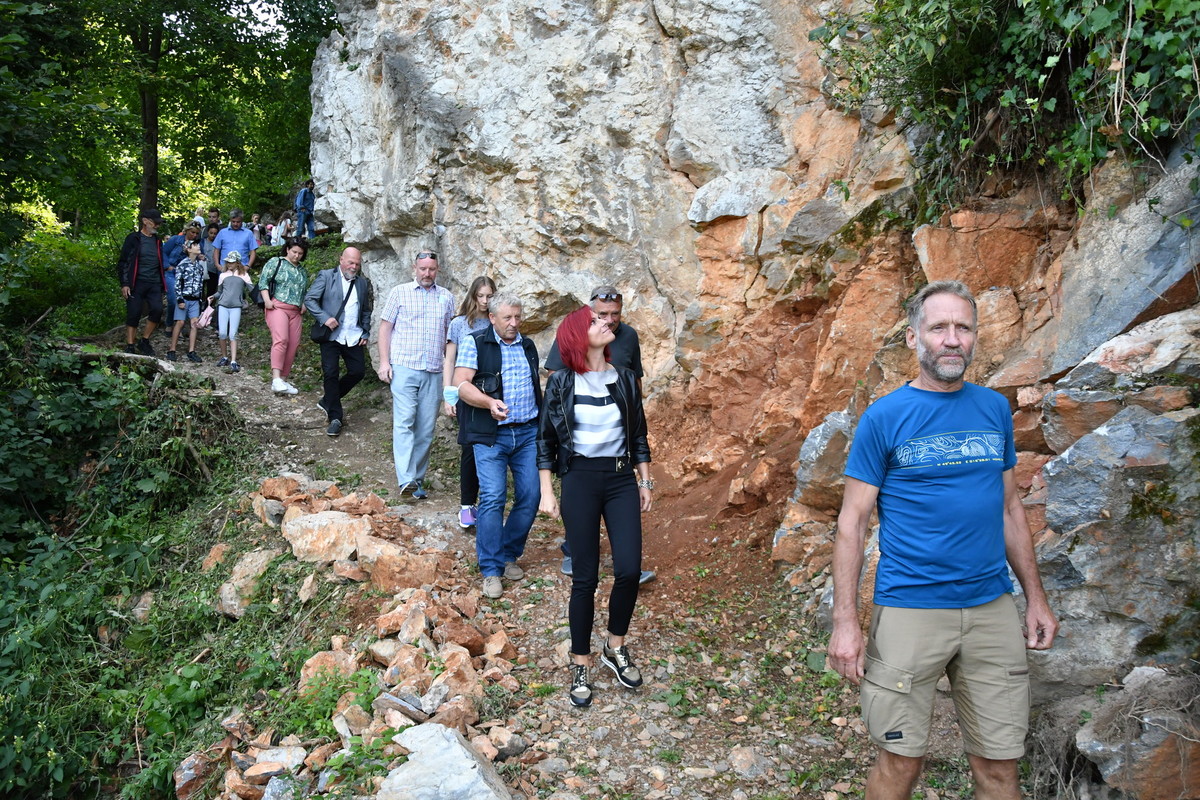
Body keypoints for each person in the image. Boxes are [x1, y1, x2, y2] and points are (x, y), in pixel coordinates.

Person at [828, 280, 1058, 800]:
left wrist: (1035, 599)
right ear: (914, 339)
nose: (952, 339)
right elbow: (852, 522)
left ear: (975, 337)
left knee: (1000, 769)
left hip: (991, 609)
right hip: (911, 607)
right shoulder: (884, 418)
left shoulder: (993, 409)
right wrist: (845, 622)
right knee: (900, 763)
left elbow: (1007, 507)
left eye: (963, 328)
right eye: (939, 328)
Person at [537, 306, 653, 708]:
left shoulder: (623, 378)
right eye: (594, 322)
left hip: (621, 479)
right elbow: (546, 441)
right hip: (580, 480)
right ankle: (580, 660)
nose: (605, 323)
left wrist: (645, 480)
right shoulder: (562, 382)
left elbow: (638, 434)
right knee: (584, 578)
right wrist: (547, 492)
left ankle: (614, 646)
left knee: (629, 569)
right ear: (577, 336)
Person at [545, 286, 654, 585]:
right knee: (584, 567)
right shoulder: (575, 335)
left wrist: (629, 405)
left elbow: (637, 382)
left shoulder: (629, 337)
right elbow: (557, 379)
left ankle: (624, 566)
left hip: (618, 459)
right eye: (600, 315)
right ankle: (576, 552)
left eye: (613, 314)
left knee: (626, 556)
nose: (608, 320)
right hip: (581, 460)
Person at [452, 293, 541, 599]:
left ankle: (507, 553)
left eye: (518, 317)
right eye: (507, 318)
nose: (514, 323)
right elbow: (462, 384)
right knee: (492, 496)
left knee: (531, 494)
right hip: (490, 434)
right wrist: (489, 402)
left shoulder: (528, 345)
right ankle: (491, 569)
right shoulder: (474, 342)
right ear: (492, 318)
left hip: (527, 432)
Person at [375, 251, 455, 498]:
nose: (427, 274)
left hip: (433, 370)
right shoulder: (400, 292)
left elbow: (449, 338)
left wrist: (449, 379)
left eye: (431, 269)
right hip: (404, 367)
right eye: (423, 269)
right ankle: (406, 479)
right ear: (415, 268)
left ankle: (416, 481)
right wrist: (384, 362)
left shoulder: (447, 297)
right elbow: (385, 328)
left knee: (425, 429)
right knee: (405, 421)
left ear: (437, 270)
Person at [443, 276, 497, 529]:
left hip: (493, 394)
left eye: (490, 296)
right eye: (481, 296)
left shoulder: (499, 321)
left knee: (492, 449)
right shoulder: (459, 324)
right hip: (465, 391)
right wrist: (448, 393)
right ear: (473, 296)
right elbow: (449, 359)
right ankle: (467, 505)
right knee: (469, 448)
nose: (485, 301)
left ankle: (489, 504)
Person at [304, 247, 373, 436]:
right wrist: (325, 318)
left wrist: (365, 332)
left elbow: (365, 309)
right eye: (351, 262)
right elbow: (310, 299)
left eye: (357, 264)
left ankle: (328, 399)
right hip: (331, 335)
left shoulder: (362, 283)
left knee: (358, 372)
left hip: (353, 335)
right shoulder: (326, 276)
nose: (354, 267)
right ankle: (335, 417)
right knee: (331, 373)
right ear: (341, 259)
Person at [259, 239, 311, 395]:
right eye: (294, 252)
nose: (296, 255)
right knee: (281, 339)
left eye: (300, 253)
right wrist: (267, 300)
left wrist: (305, 303)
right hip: (278, 306)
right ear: (287, 249)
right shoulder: (277, 262)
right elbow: (263, 281)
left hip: (295, 311)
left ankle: (283, 379)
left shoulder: (302, 271)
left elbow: (304, 290)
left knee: (293, 345)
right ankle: (275, 378)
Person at [117, 207, 167, 356]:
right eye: (155, 223)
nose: (157, 226)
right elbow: (123, 262)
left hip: (154, 282)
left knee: (157, 310)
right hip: (136, 282)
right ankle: (130, 345)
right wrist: (125, 283)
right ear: (145, 221)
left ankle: (144, 341)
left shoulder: (158, 241)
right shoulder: (133, 238)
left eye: (159, 223)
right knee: (134, 312)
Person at [167, 241, 211, 363]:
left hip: (195, 299)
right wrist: (179, 299)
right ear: (189, 249)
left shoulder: (199, 266)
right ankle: (172, 349)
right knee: (180, 322)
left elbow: (201, 285)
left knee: (194, 324)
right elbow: (177, 284)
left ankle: (191, 351)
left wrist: (201, 301)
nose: (198, 247)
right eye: (195, 246)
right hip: (184, 298)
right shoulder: (182, 264)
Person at [211, 253, 252, 373]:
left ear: (237, 263)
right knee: (222, 333)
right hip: (223, 305)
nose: (229, 264)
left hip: (236, 307)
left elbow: (252, 289)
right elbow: (220, 292)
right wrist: (213, 297)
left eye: (232, 262)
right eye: (228, 262)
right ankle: (224, 357)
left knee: (233, 334)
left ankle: (233, 360)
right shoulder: (223, 275)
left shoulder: (244, 275)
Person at [162, 221, 201, 328]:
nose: (194, 235)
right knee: (173, 298)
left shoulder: (196, 245)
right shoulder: (175, 239)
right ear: (187, 230)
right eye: (192, 232)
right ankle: (169, 323)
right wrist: (167, 265)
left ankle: (180, 324)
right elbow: (163, 252)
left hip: (185, 276)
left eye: (197, 233)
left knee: (185, 299)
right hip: (171, 272)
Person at [213, 209, 258, 299]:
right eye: (233, 221)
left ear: (242, 221)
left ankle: (239, 309)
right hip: (225, 267)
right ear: (230, 220)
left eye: (238, 222)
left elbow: (253, 251)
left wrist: (248, 266)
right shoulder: (223, 232)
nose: (235, 224)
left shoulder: (248, 233)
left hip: (241, 268)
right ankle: (221, 309)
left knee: (239, 293)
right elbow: (216, 249)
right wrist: (217, 265)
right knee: (223, 292)